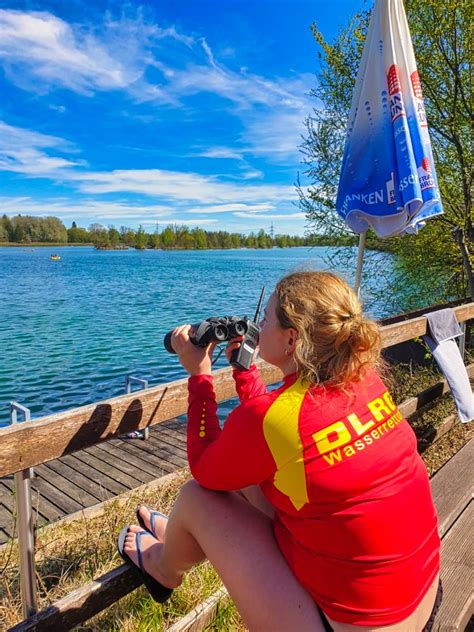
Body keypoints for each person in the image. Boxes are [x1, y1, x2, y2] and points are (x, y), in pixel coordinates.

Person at [118, 271, 441, 631]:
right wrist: (245, 374)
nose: (258, 325)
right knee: (258, 477)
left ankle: (163, 568)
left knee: (197, 498)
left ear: (291, 339)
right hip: (422, 594)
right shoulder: (364, 378)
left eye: (266, 318)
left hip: (356, 626)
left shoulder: (276, 418)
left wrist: (200, 375)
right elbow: (281, 431)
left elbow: (205, 466)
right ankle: (182, 535)